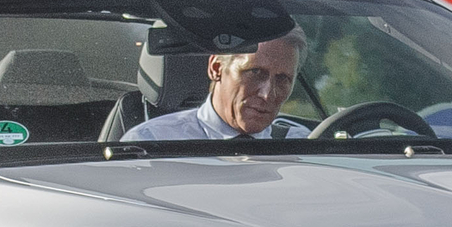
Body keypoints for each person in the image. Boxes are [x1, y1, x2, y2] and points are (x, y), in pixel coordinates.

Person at [123, 28, 312, 142]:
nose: (267, 94)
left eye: (282, 79)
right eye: (255, 73)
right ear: (216, 68)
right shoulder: (152, 142)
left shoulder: (303, 145)